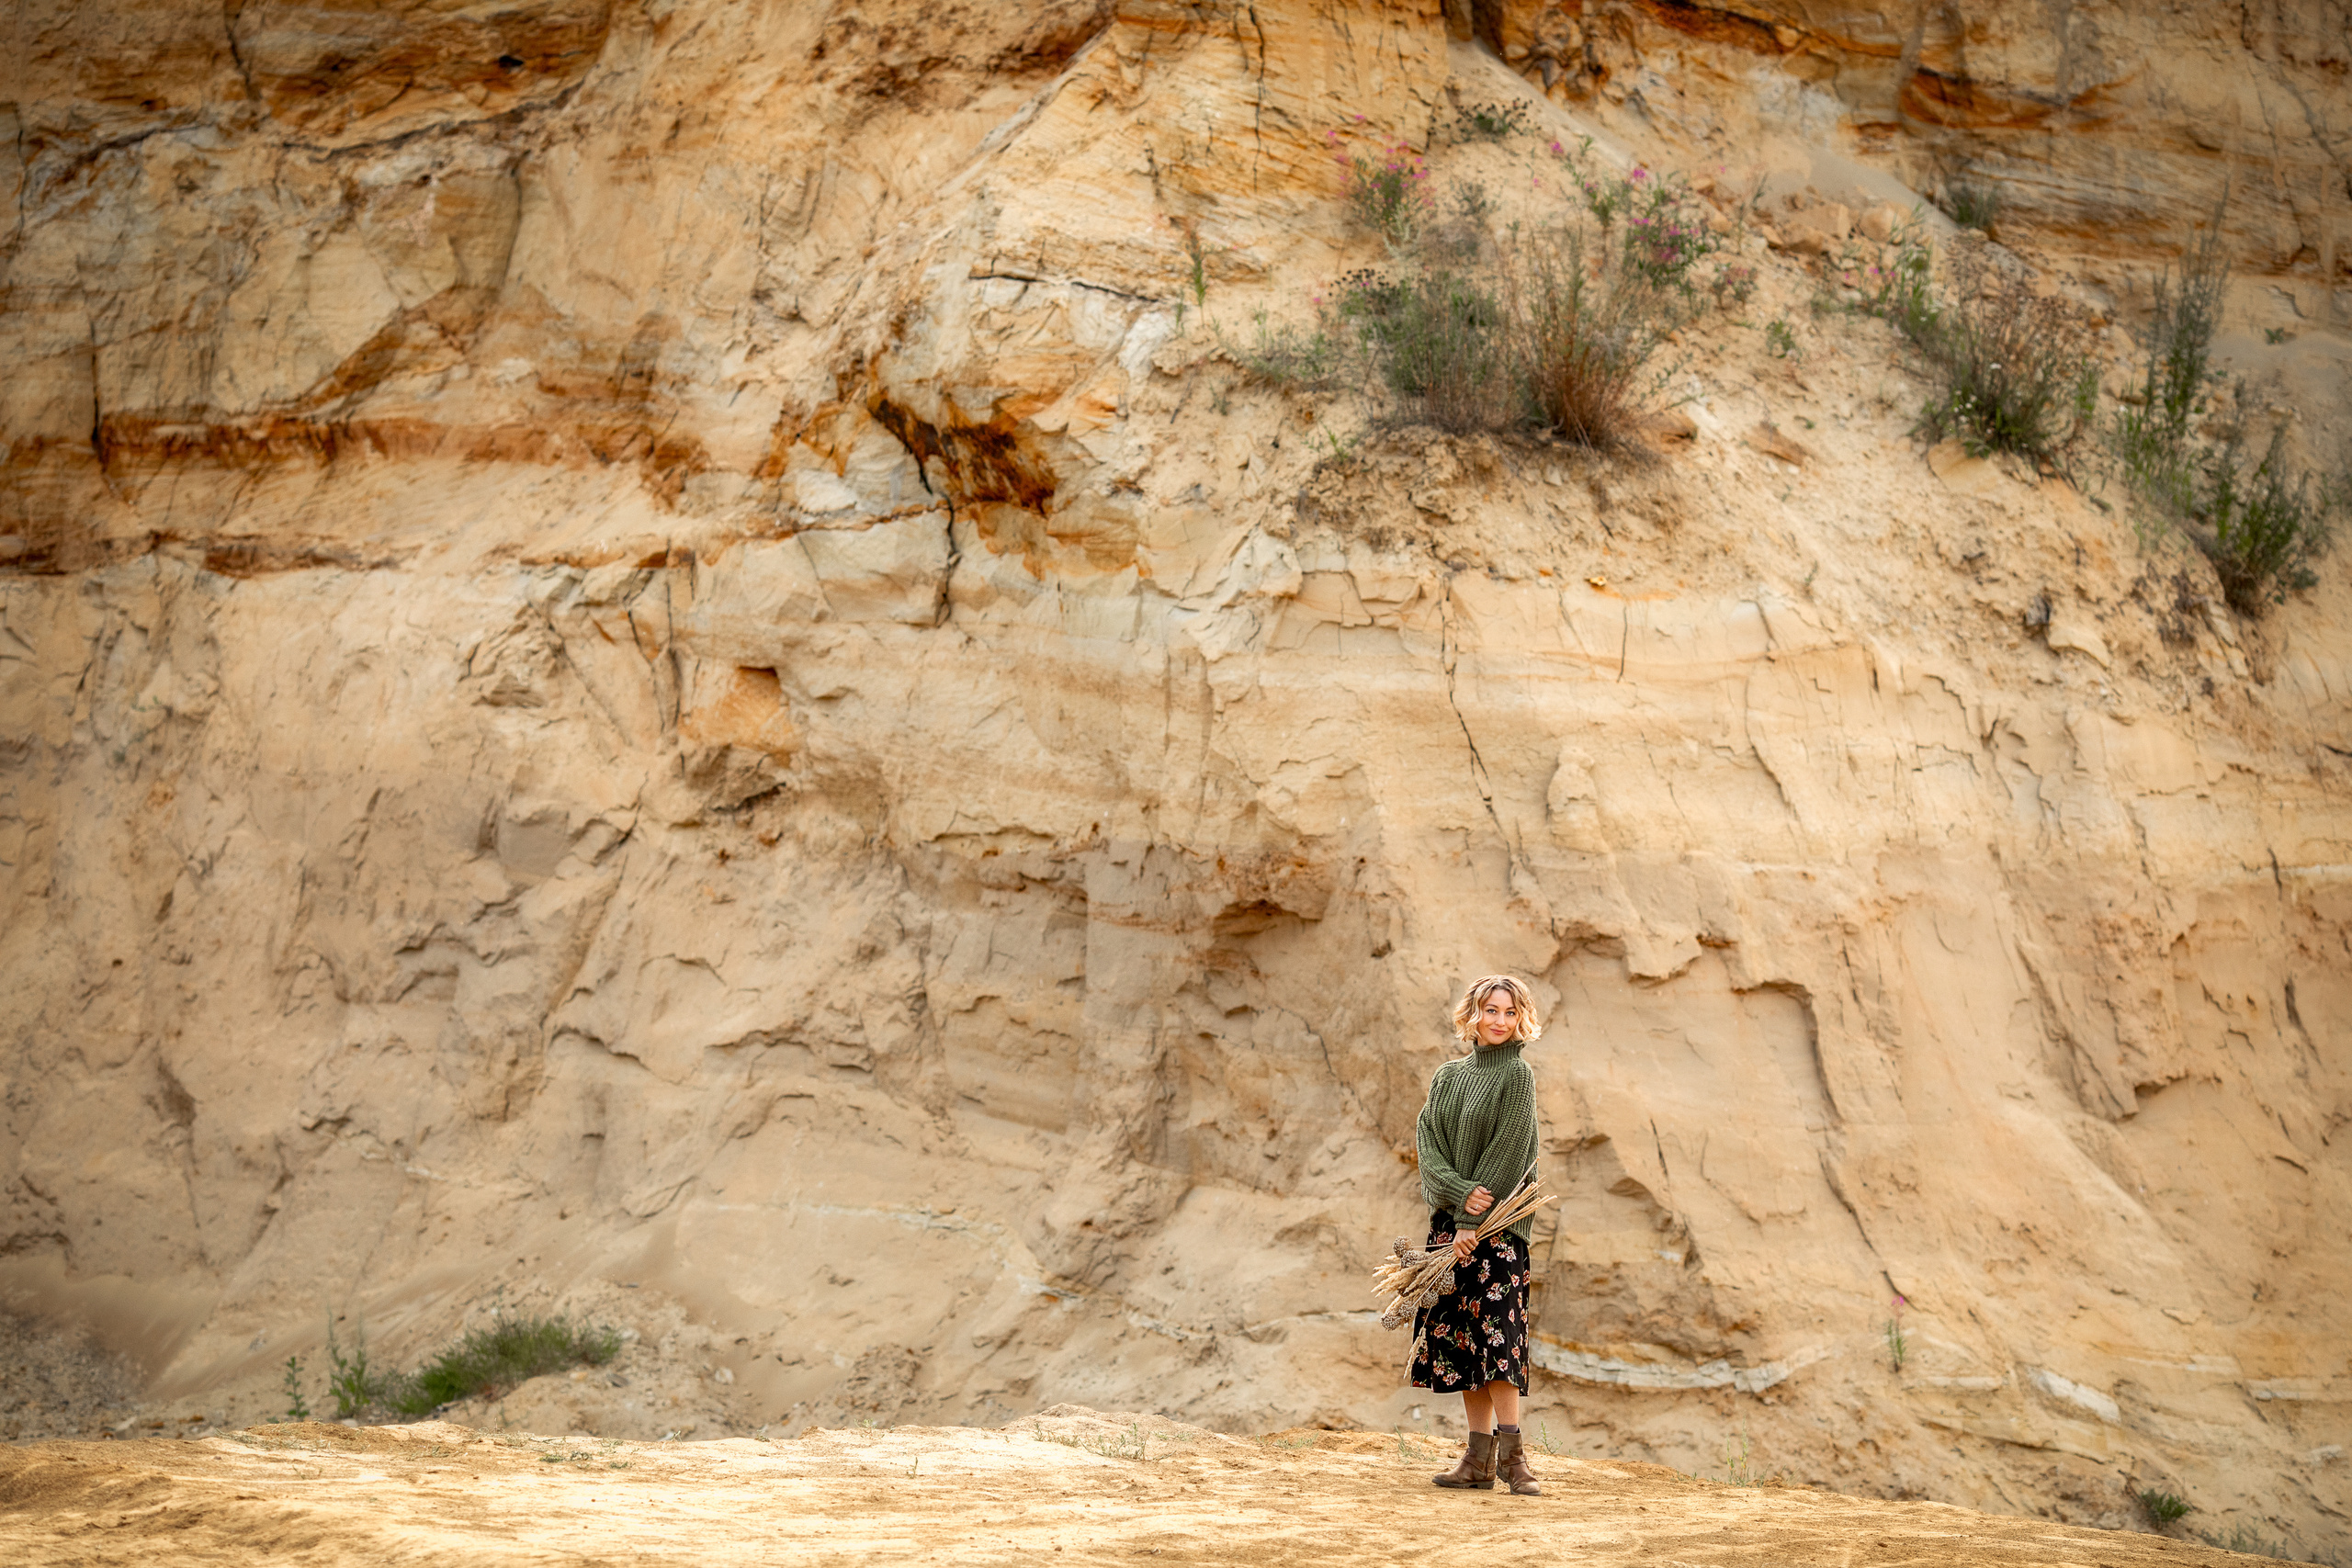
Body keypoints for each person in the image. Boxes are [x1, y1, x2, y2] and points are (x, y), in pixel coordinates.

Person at [1410, 973, 1544, 1495]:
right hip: (1452, 1227)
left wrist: (1474, 1220)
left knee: (1499, 1340)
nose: (1499, 1021)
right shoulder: (1447, 1077)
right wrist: (1455, 1198)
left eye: (1510, 1013)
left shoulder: (1518, 1076)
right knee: (1464, 1344)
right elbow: (1429, 1145)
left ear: (1521, 1019)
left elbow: (1512, 1149)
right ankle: (1477, 1460)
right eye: (1491, 1010)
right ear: (1473, 1014)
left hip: (1499, 1228)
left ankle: (1514, 1460)